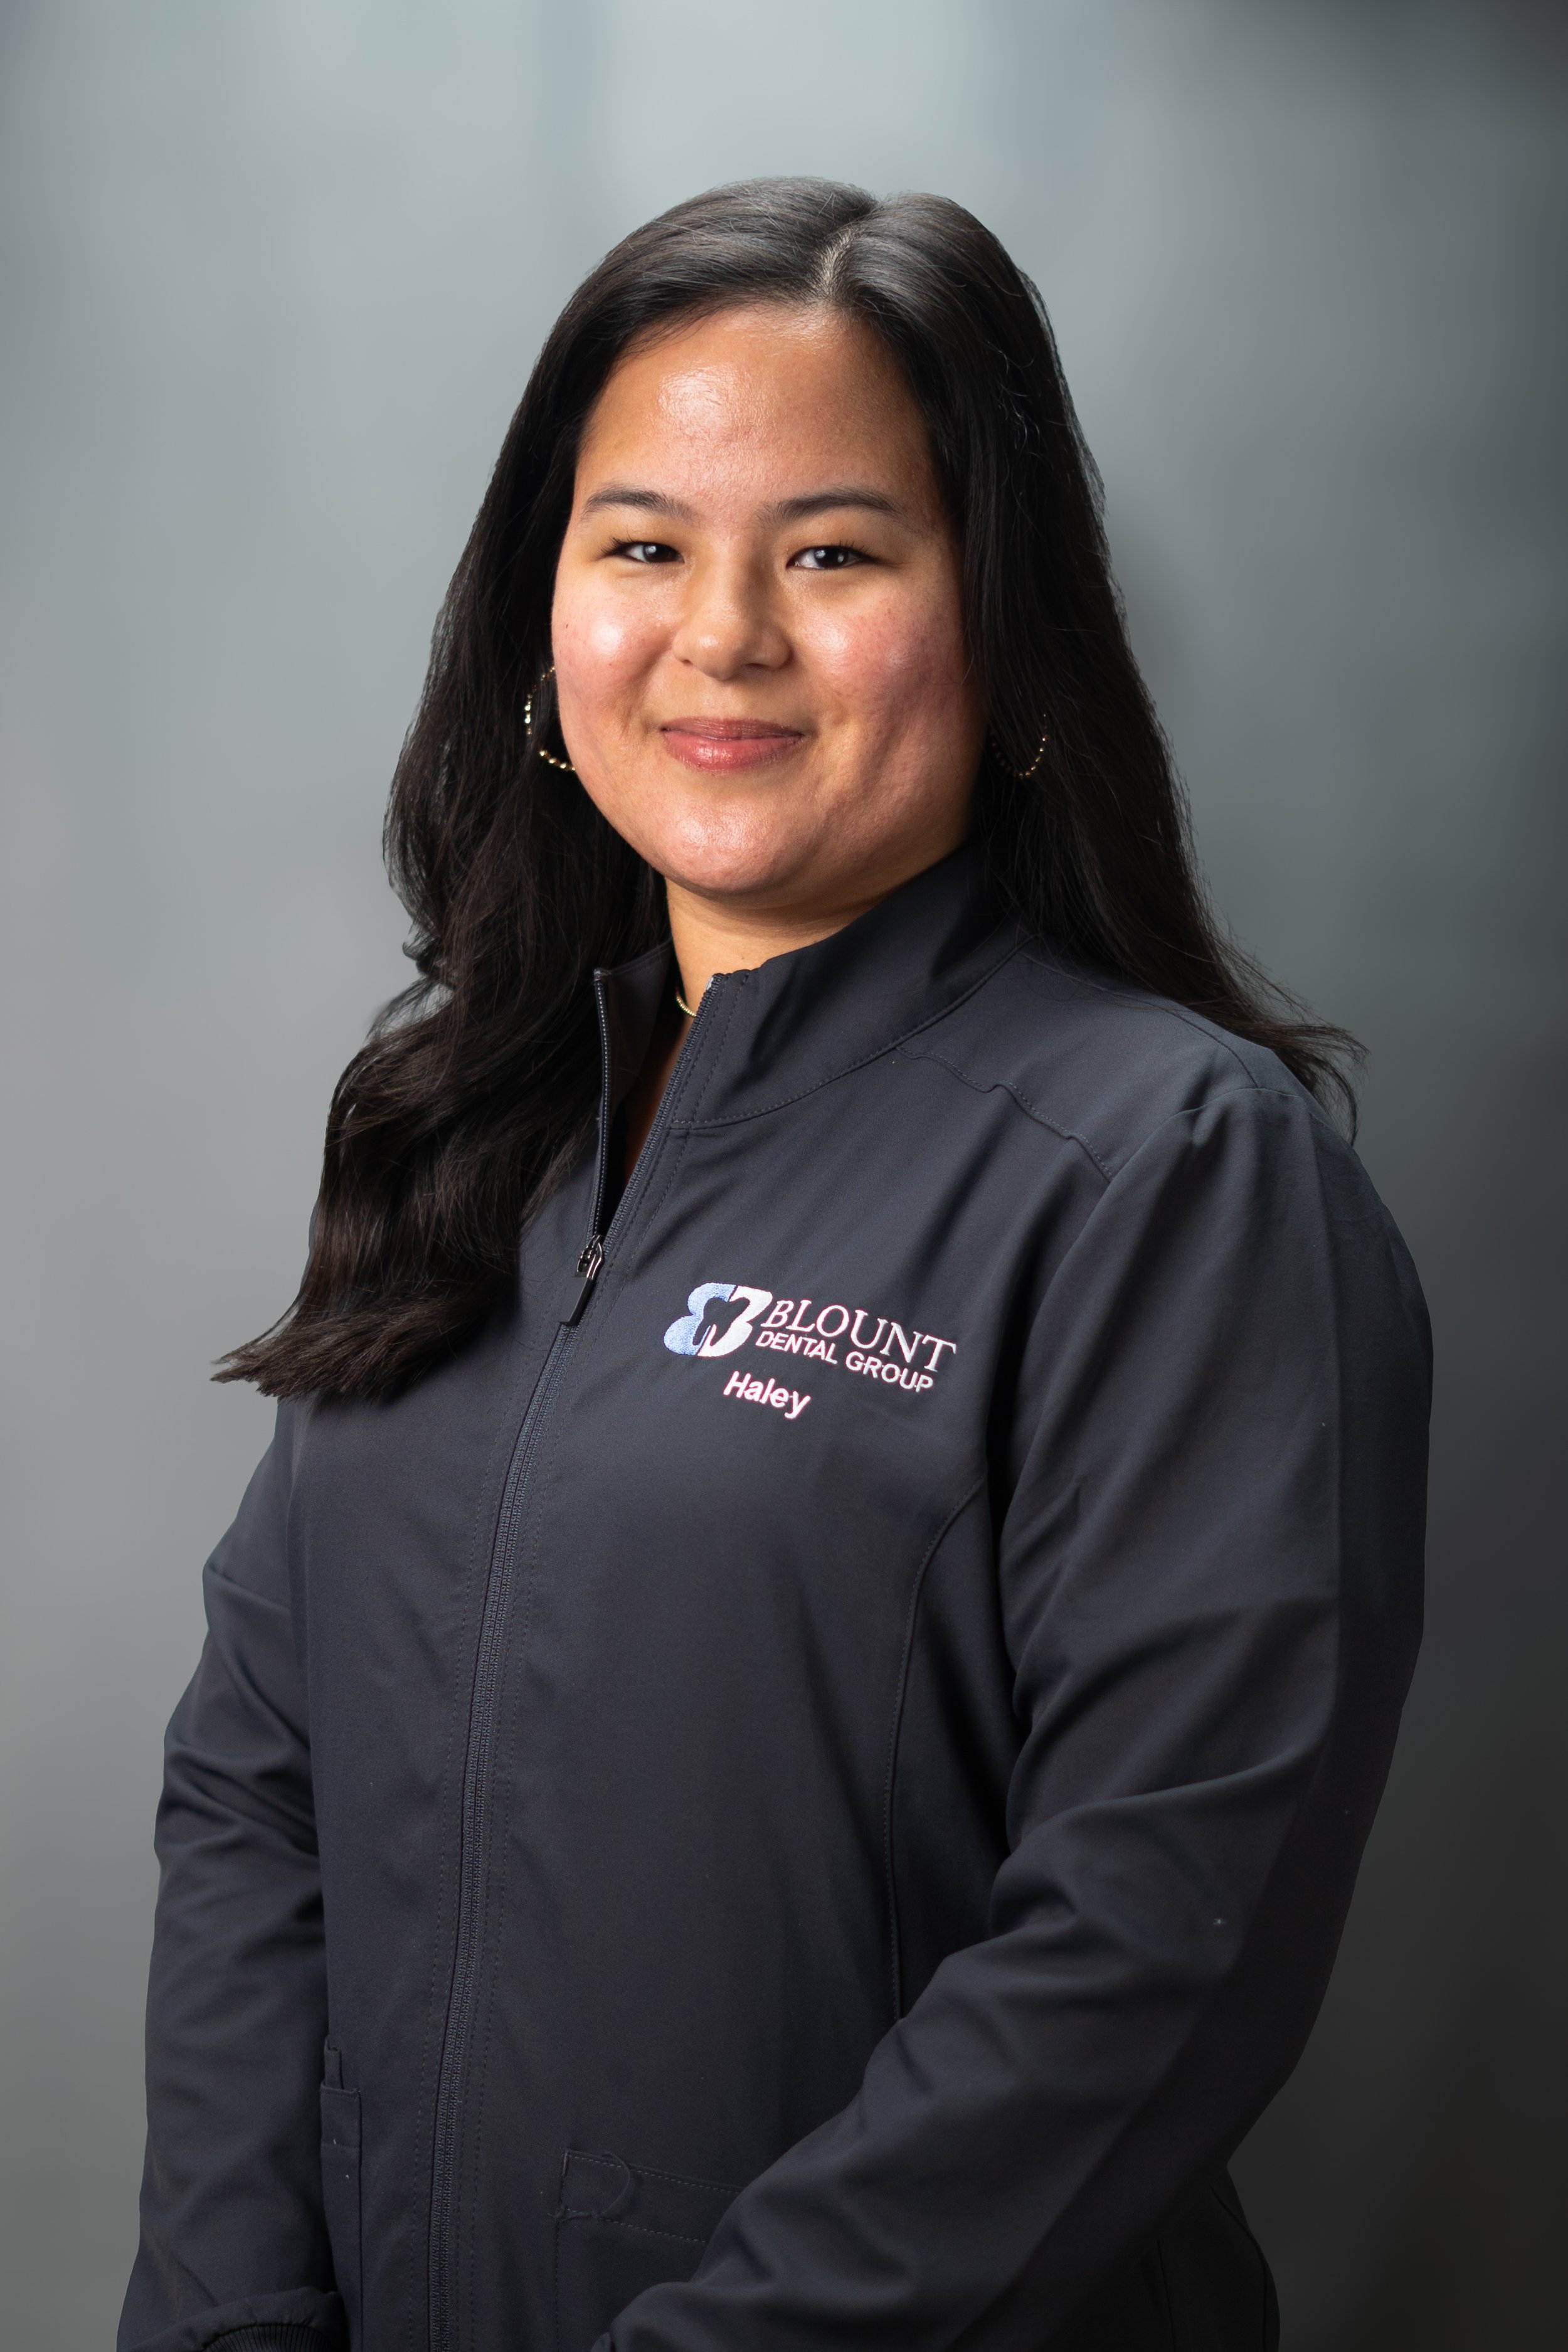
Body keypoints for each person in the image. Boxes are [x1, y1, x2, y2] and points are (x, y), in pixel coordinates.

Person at [119, 180, 1429, 2352]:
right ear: (543, 621)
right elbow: (259, 1790)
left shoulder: (1168, 1173)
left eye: (831, 553)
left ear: (1001, 624)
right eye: (642, 547)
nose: (720, 634)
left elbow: (1151, 1947)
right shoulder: (471, 1135)